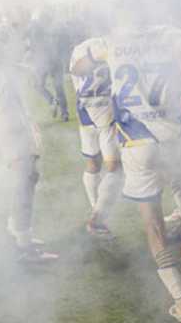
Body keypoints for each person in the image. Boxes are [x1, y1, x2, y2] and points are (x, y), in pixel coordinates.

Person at [71, 0, 181, 322]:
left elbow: (77, 68)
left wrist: (101, 50)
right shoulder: (170, 34)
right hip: (170, 132)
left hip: (136, 140)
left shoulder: (111, 43)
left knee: (153, 227)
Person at [0, 4, 59, 263]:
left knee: (29, 175)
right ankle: (24, 246)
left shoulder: (12, 33)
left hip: (14, 114)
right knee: (25, 179)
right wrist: (18, 61)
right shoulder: (2, 31)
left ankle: (17, 231)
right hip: (7, 117)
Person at [69, 37, 123, 238]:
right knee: (115, 169)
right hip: (104, 111)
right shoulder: (108, 43)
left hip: (85, 112)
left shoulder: (78, 48)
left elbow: (75, 76)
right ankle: (97, 217)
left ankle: (95, 210)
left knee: (93, 164)